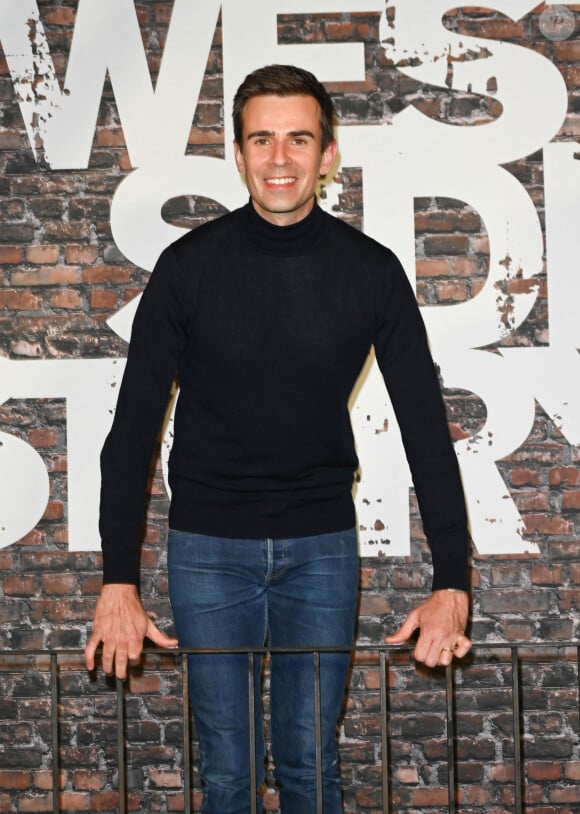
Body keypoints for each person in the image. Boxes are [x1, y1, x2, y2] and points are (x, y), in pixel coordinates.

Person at [85, 64, 471, 813]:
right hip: (208, 551)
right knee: (226, 774)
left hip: (321, 547)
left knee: (310, 768)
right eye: (261, 139)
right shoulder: (188, 269)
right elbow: (130, 430)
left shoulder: (371, 272)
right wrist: (116, 582)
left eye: (300, 138)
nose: (280, 158)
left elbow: (427, 430)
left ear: (328, 154)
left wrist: (452, 582)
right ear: (237, 153)